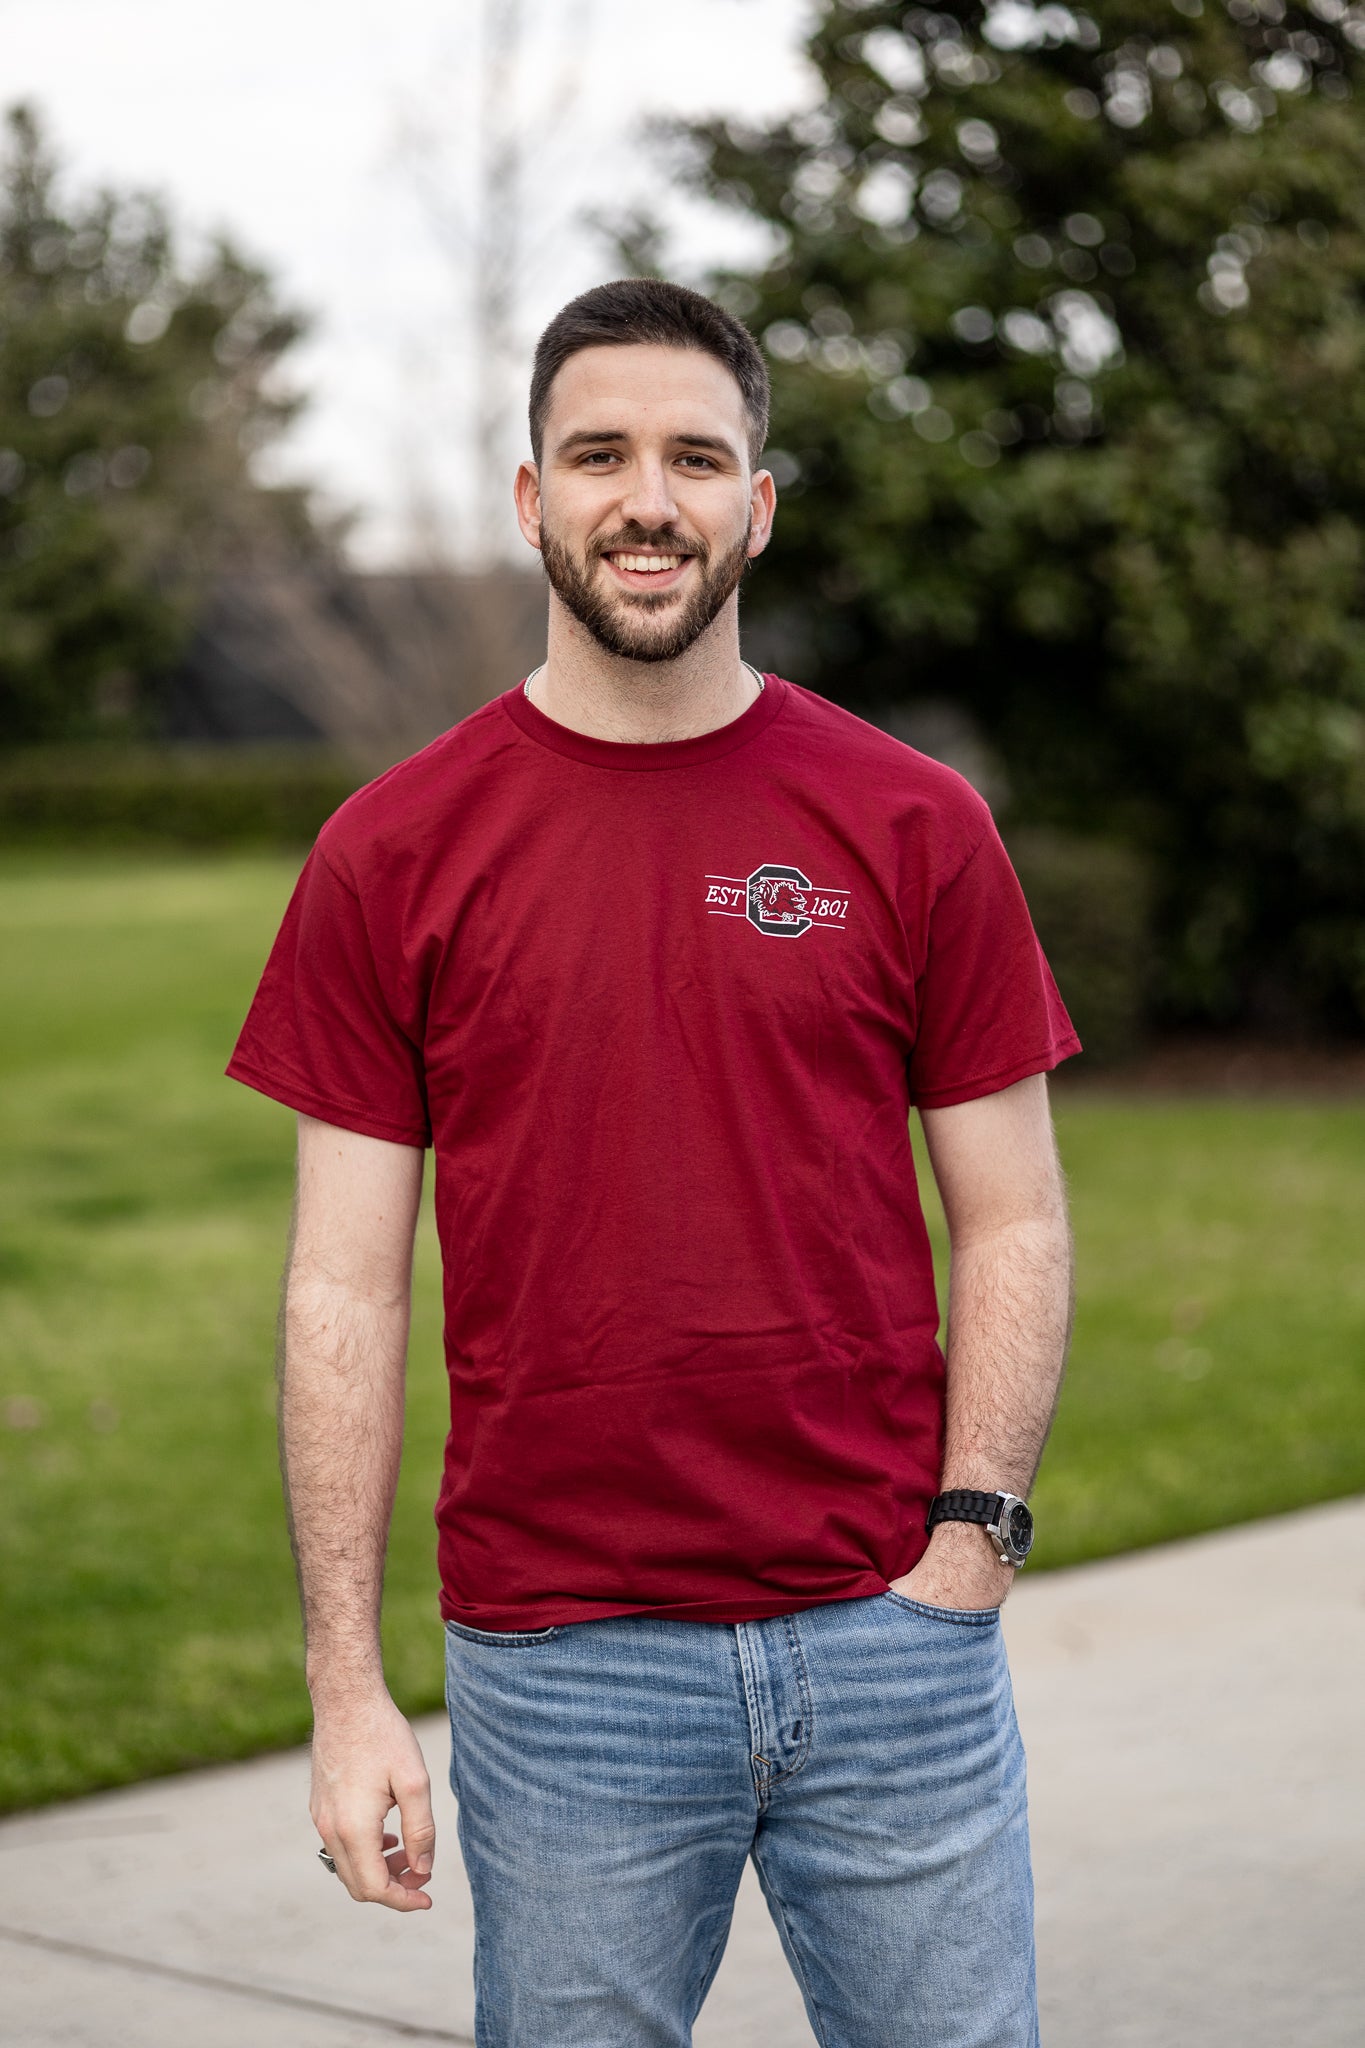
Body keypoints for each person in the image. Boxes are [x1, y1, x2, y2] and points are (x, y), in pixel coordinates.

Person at [228, 278, 1079, 2048]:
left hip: (886, 1639)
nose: (649, 497)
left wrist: (971, 1546)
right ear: (529, 497)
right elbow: (341, 1283)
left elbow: (1010, 1220)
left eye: (697, 457)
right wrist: (344, 1689)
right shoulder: (391, 855)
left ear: (755, 506)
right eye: (599, 453)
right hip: (562, 1671)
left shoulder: (912, 823)